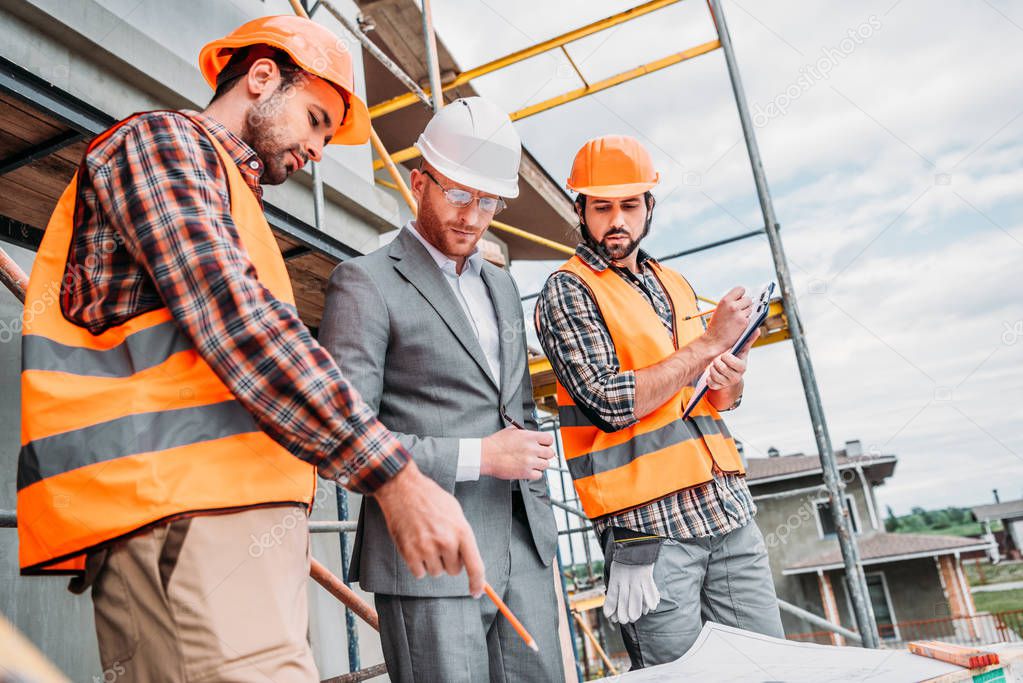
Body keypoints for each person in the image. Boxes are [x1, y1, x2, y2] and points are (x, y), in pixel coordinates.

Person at [16, 16, 482, 681]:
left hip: (220, 518)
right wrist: (392, 473)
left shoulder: (233, 198)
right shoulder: (161, 142)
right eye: (317, 120)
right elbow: (233, 315)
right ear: (262, 76)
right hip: (182, 515)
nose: (319, 149)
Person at [320, 97, 564, 683]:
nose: (473, 217)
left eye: (488, 201)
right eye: (458, 195)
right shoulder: (365, 283)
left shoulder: (503, 287)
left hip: (524, 549)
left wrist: (527, 446)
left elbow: (515, 407)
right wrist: (483, 456)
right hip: (427, 559)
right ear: (419, 182)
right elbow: (342, 438)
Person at [535, 134, 784, 669]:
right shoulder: (568, 290)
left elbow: (709, 397)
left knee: (768, 672)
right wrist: (711, 343)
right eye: (601, 207)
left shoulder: (673, 282)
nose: (616, 220)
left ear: (650, 206)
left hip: (727, 514)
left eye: (629, 205)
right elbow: (608, 401)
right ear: (580, 210)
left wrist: (729, 376)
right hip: (652, 538)